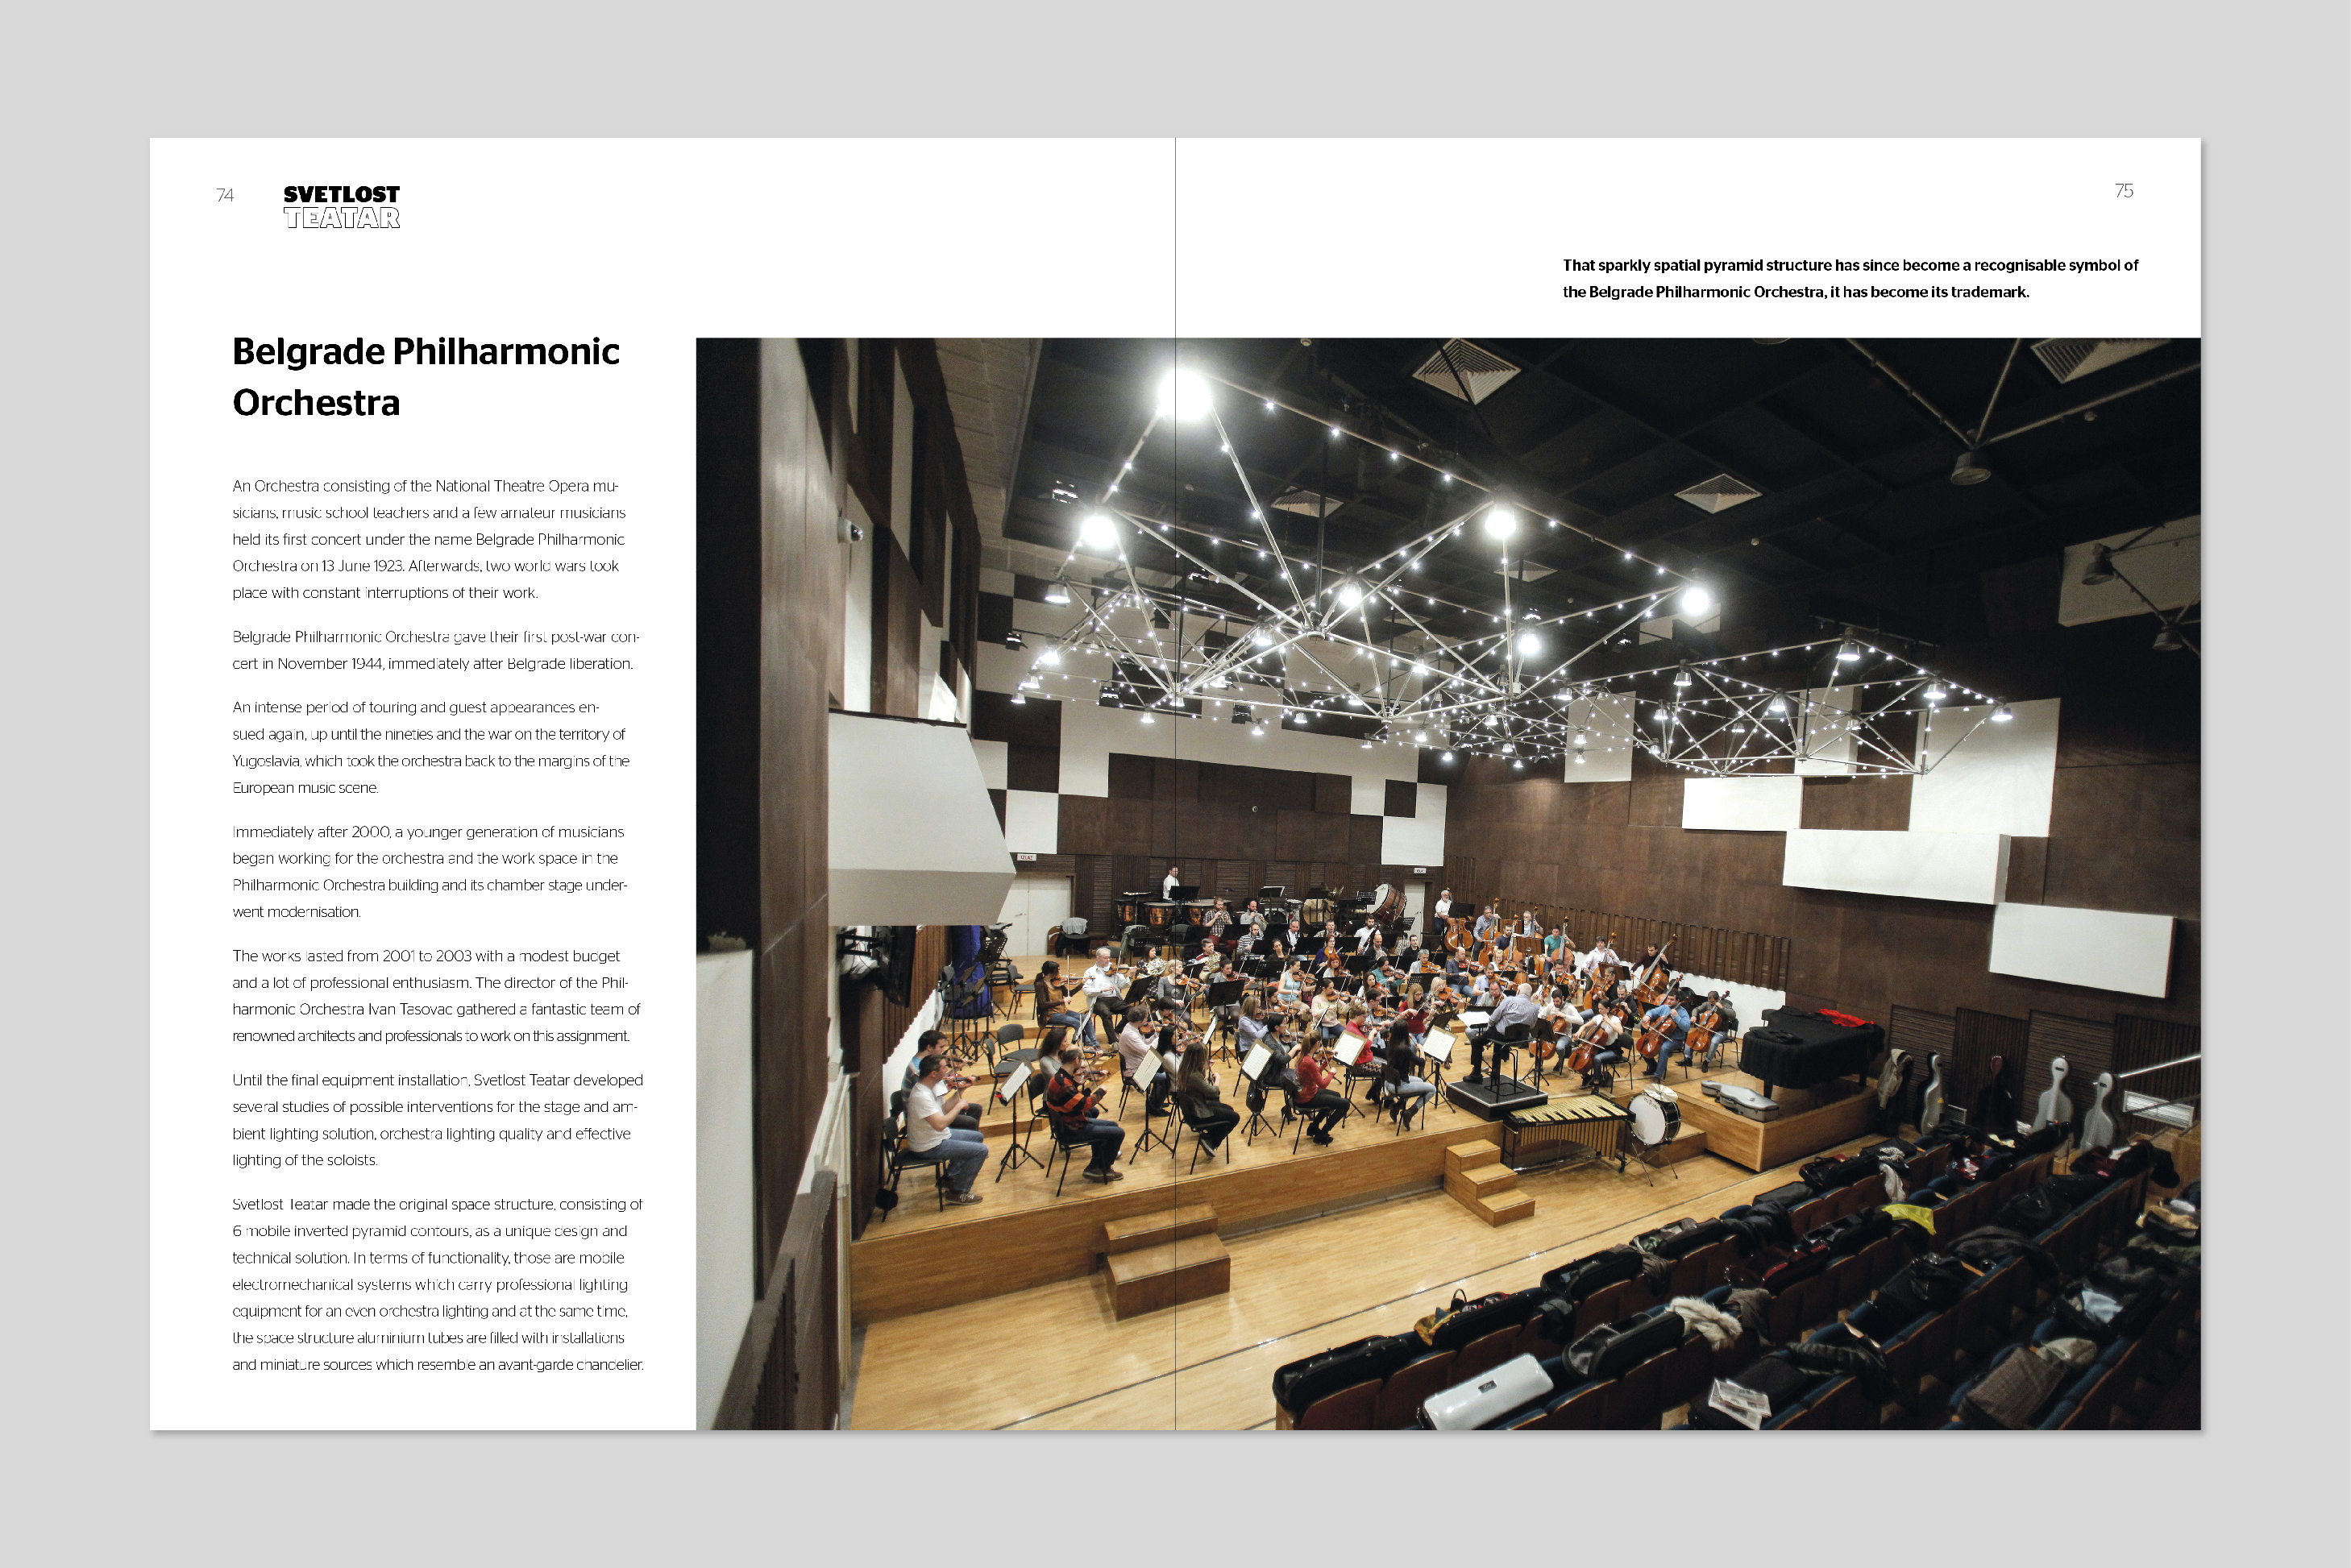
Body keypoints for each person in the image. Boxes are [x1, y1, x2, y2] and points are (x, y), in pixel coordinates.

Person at [902, 1054, 987, 1205]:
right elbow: (940, 1124)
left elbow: (944, 1109)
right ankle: (958, 1192)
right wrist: (959, 1107)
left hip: (937, 1137)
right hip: (928, 1146)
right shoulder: (921, 1096)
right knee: (981, 1151)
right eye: (944, 1068)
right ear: (933, 1074)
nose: (947, 1070)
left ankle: (950, 1177)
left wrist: (960, 1091)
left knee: (977, 1137)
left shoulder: (930, 1087)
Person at [1043, 1041, 1125, 1182]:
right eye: (1082, 1059)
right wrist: (1101, 1091)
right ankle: (1103, 1168)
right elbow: (1085, 1104)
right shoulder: (1063, 1084)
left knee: (1112, 1125)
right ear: (1076, 1060)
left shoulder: (1061, 1077)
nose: (1083, 1063)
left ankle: (1095, 1165)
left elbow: (1077, 1099)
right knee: (1118, 1133)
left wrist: (1093, 1085)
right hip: (1073, 1128)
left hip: (1071, 1122)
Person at [900, 1028, 982, 1130]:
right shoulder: (917, 1071)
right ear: (929, 1047)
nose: (943, 1050)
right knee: (970, 1122)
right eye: (941, 1047)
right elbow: (937, 1092)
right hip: (924, 1118)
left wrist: (956, 1070)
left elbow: (939, 1080)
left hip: (935, 1107)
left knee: (976, 1109)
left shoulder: (924, 1062)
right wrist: (956, 1085)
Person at [1173, 1041, 1240, 1151]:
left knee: (1229, 1109)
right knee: (1234, 1117)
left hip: (1194, 1107)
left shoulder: (1186, 1068)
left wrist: (1205, 1068)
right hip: (1197, 1114)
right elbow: (1214, 1093)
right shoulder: (1193, 1076)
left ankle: (1210, 1135)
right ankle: (1211, 1141)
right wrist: (1218, 1079)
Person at [1469, 981, 1540, 1081]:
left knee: (1476, 1041)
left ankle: (1476, 1074)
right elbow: (1532, 1026)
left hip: (1502, 1036)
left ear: (1518, 991)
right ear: (1530, 995)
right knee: (1498, 1041)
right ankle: (1495, 1073)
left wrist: (1490, 1028)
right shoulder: (1534, 1008)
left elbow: (1494, 1018)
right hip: (1520, 1039)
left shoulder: (1509, 1000)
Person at [1378, 1020, 1438, 1122]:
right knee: (1432, 1089)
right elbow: (1422, 1062)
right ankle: (1410, 1112)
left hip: (1389, 1082)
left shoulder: (1391, 1044)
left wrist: (1407, 1041)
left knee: (1420, 1081)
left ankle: (1397, 1106)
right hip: (1399, 1085)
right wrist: (1421, 1049)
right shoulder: (1405, 1049)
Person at [1032, 960, 1099, 1049]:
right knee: (1077, 1023)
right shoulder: (1040, 984)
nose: (1059, 973)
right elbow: (1043, 1004)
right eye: (1057, 970)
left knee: (1085, 1018)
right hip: (1050, 1015)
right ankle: (1090, 1045)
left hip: (1062, 1011)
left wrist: (1082, 984)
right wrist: (1062, 1001)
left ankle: (1095, 1043)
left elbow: (1068, 994)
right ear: (1051, 972)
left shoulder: (1058, 982)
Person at [1293, 1037, 1348, 1145]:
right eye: (1320, 1044)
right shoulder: (1309, 1061)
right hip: (1307, 1098)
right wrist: (1331, 1074)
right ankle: (1322, 1134)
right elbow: (1322, 1085)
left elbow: (1315, 1074)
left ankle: (1313, 1127)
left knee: (1336, 1095)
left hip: (1303, 1093)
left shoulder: (1301, 1055)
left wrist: (1326, 1062)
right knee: (1345, 1104)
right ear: (1317, 1044)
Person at [1641, 992, 1694, 1080]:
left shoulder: (1683, 1012)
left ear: (1678, 1001)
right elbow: (1652, 1011)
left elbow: (1687, 1028)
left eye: (1672, 1000)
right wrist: (1648, 1016)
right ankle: (1654, 1066)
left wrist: (1677, 1017)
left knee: (1664, 1048)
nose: (1669, 1001)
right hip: (1661, 1036)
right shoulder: (1665, 1008)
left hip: (1675, 1040)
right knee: (1642, 1044)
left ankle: (1657, 1076)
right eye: (1668, 999)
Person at [1081, 948, 1126, 1035]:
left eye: (1109, 957)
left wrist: (1129, 975)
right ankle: (1113, 1040)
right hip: (1098, 1000)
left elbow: (1122, 986)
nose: (1108, 960)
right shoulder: (1090, 972)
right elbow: (1086, 990)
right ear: (1098, 958)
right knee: (1106, 1014)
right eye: (1105, 958)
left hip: (1114, 999)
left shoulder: (1114, 970)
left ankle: (1117, 1031)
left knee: (1132, 1011)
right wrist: (1101, 990)